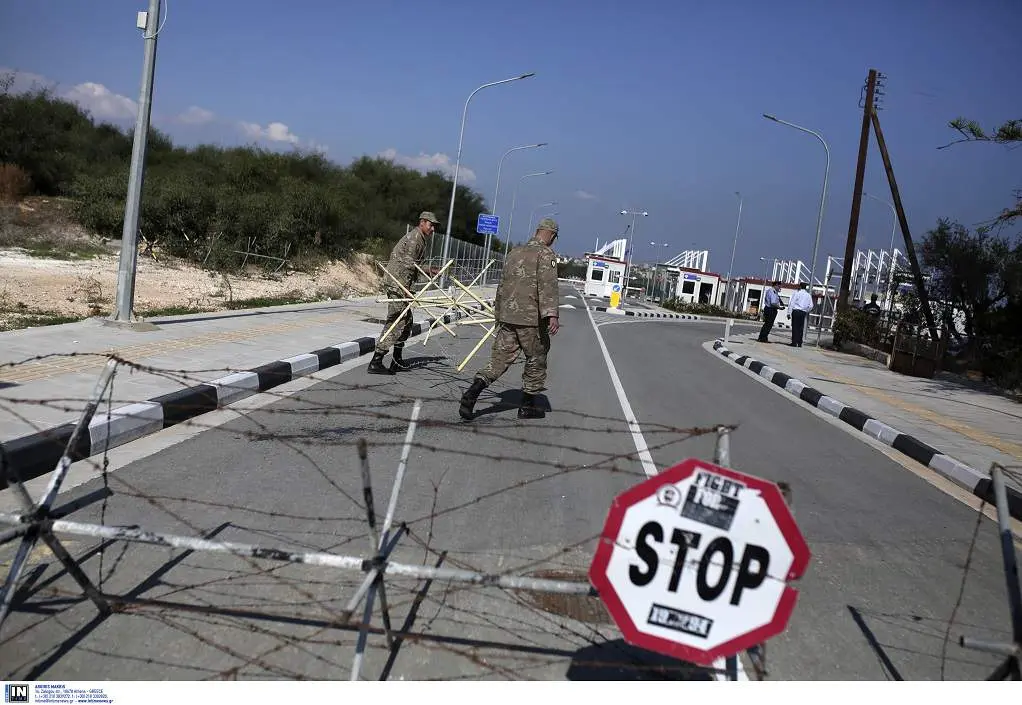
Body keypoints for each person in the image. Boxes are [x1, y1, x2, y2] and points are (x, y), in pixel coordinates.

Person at [458, 218, 561, 420]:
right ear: (551, 235)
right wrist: (552, 315)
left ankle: (472, 393)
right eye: (554, 238)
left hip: (508, 316)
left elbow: (502, 285)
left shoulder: (514, 252)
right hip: (530, 321)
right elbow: (548, 286)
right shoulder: (546, 254)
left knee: (499, 360)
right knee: (536, 358)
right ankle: (527, 405)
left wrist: (498, 314)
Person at [367, 210, 441, 375]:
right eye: (431, 225)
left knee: (406, 322)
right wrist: (408, 289)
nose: (433, 229)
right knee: (397, 321)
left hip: (403, 284)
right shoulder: (415, 239)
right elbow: (408, 266)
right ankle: (376, 361)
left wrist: (428, 269)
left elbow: (413, 265)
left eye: (434, 226)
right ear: (422, 222)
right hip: (398, 284)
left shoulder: (421, 239)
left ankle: (396, 360)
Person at [787, 282, 813, 347]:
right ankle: (799, 343)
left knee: (795, 327)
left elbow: (792, 303)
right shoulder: (808, 295)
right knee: (801, 328)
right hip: (803, 313)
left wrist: (788, 313)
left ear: (800, 286)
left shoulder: (796, 293)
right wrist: (805, 311)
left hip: (796, 311)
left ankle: (794, 342)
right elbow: (811, 306)